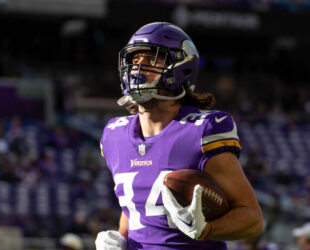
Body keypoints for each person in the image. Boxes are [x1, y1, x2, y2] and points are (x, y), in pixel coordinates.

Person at [95, 22, 263, 249]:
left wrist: (207, 230)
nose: (137, 69)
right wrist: (120, 238)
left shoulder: (202, 130)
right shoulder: (116, 135)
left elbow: (252, 219)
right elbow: (135, 208)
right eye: (134, 61)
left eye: (150, 60)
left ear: (180, 68)